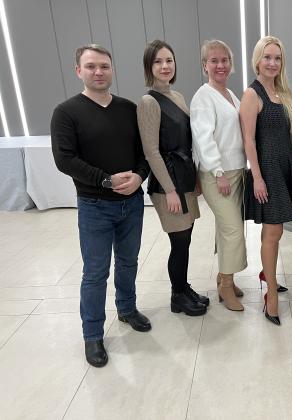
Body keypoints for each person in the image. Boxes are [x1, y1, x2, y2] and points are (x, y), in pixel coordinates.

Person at [51, 44, 151, 368]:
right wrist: (105, 180)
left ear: (112, 70)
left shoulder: (128, 109)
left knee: (128, 262)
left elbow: (144, 152)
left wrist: (139, 176)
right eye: (91, 66)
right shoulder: (66, 112)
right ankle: (92, 334)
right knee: (95, 273)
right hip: (94, 205)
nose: (98, 72)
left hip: (132, 203)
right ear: (78, 70)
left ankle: (127, 309)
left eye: (104, 66)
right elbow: (65, 159)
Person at [137, 40, 208, 319]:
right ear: (149, 67)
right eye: (158, 61)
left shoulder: (177, 96)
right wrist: (170, 191)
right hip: (168, 182)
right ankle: (177, 295)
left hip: (184, 175)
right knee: (178, 241)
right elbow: (151, 151)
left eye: (169, 60)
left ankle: (183, 288)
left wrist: (195, 178)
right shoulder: (149, 102)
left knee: (186, 238)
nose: (165, 66)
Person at [240, 36, 292, 325]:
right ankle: (271, 294)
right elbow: (248, 140)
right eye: (267, 57)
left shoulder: (283, 92)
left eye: (277, 58)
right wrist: (257, 177)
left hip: (285, 168)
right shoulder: (252, 94)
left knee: (275, 231)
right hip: (268, 171)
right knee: (273, 231)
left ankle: (268, 274)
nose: (272, 63)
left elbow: (291, 134)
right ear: (257, 60)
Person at [190, 40, 246, 311]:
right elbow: (203, 138)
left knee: (227, 229)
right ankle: (225, 285)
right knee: (233, 230)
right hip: (218, 176)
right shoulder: (204, 96)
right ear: (205, 66)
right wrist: (218, 171)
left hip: (236, 171)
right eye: (214, 61)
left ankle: (226, 278)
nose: (220, 65)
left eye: (224, 60)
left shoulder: (230, 94)